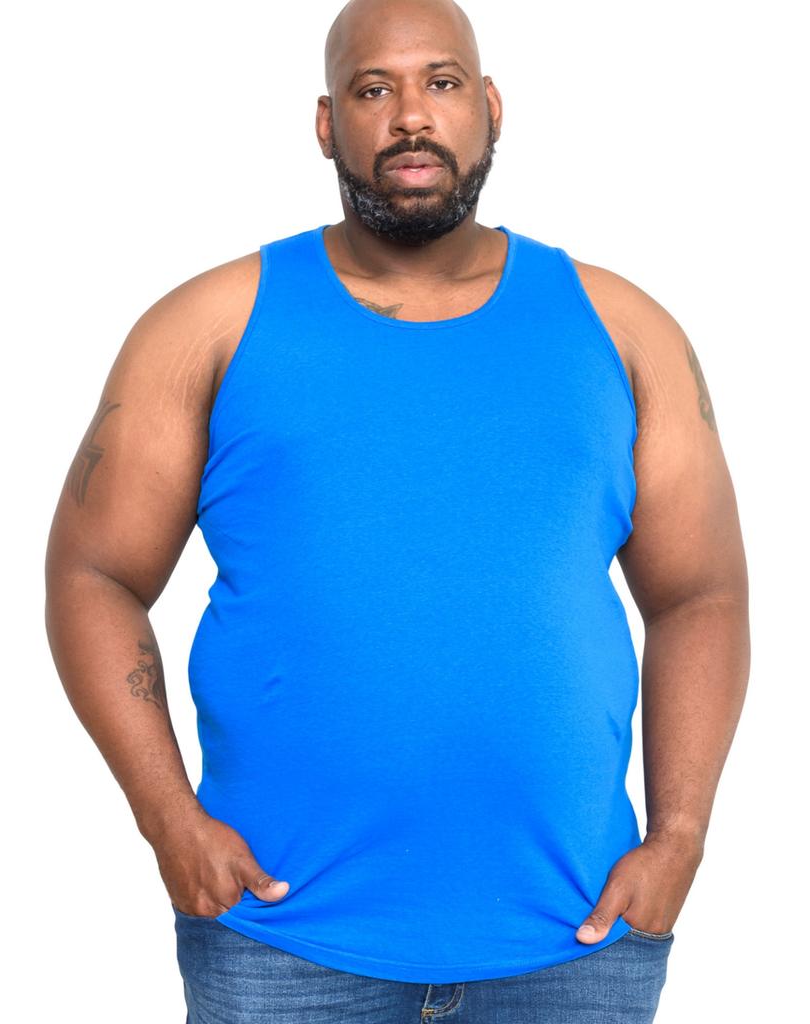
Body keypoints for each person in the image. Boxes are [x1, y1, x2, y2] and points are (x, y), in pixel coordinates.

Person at [44, 0, 750, 1020]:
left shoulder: (625, 330)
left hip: (578, 940)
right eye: (373, 89)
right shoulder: (205, 327)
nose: (410, 115)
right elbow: (93, 575)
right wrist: (167, 818)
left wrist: (679, 837)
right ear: (326, 122)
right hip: (279, 936)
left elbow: (700, 595)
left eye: (441, 82)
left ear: (491, 106)